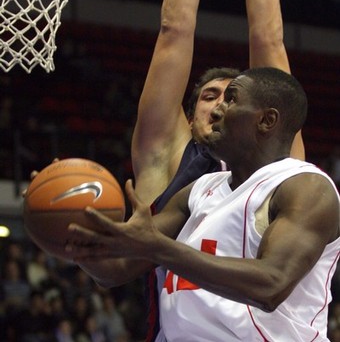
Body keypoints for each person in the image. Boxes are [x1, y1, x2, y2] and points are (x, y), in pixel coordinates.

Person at [130, 0, 304, 339]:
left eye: (233, 96)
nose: (222, 104)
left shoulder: (282, 165)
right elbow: (173, 32)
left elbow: (269, 39)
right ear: (188, 115)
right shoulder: (167, 154)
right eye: (209, 95)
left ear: (265, 117)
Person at [65, 67, 340, 342]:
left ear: (266, 121)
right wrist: (73, 227)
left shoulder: (306, 187)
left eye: (231, 99)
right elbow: (115, 269)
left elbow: (271, 285)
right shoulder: (198, 190)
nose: (217, 110)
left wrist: (157, 247)